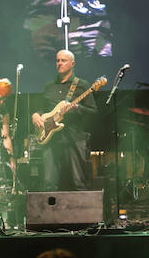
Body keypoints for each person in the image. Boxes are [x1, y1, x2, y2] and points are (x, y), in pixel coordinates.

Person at [29, 49, 98, 191]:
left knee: (79, 181)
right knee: (49, 183)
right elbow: (43, 109)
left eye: (63, 60)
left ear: (72, 64)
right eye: (58, 60)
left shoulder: (82, 85)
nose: (59, 63)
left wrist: (76, 108)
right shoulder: (49, 86)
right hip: (50, 139)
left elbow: (93, 111)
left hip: (74, 138)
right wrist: (35, 115)